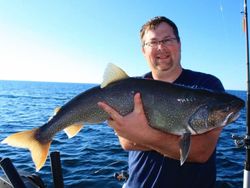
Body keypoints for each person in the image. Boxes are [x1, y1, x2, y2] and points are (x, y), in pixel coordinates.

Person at [98, 16, 225, 188]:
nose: (161, 47)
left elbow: (201, 151)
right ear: (143, 50)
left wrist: (143, 134)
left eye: (167, 40)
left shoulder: (208, 86)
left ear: (179, 44)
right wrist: (172, 139)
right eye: (153, 42)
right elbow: (126, 142)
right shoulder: (128, 88)